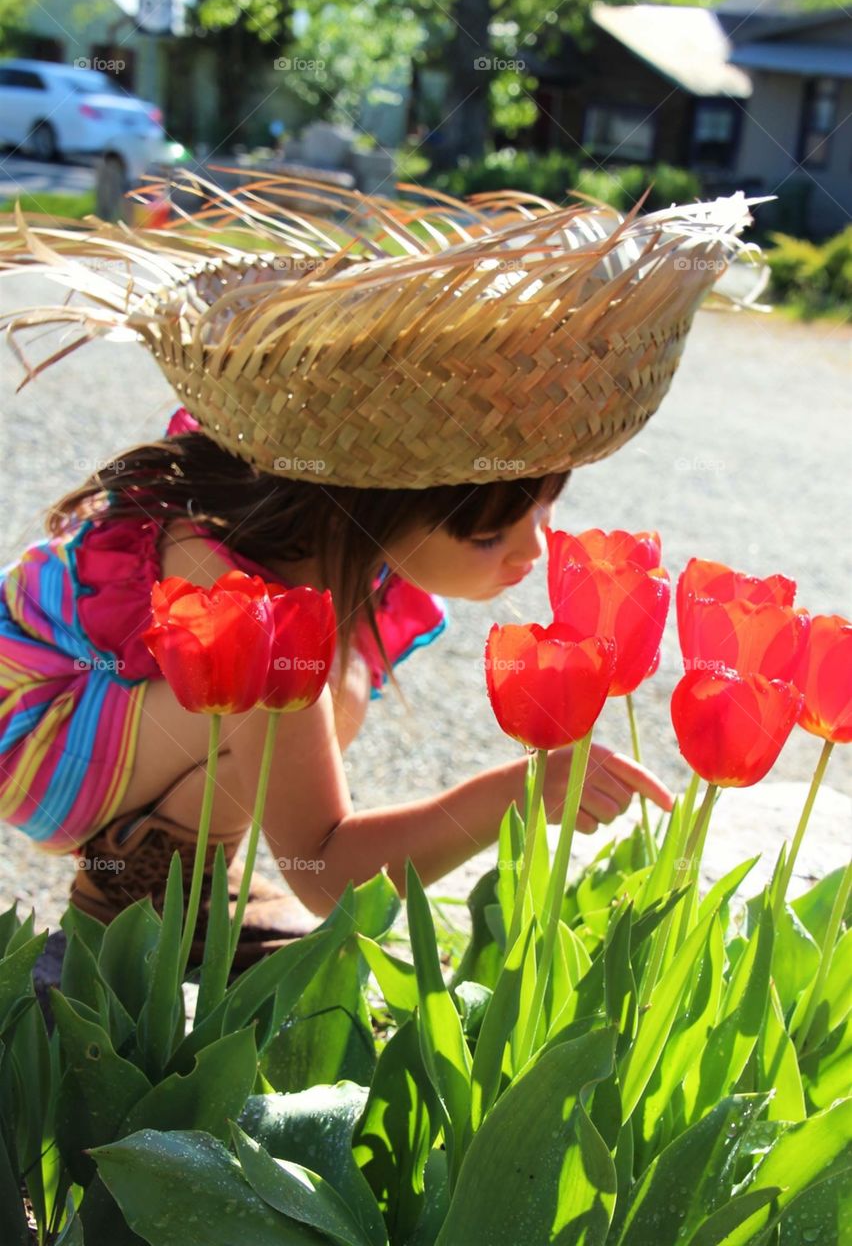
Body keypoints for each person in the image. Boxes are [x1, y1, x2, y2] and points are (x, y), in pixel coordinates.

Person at [0, 169, 769, 966]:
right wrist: (516, 791)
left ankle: (193, 872)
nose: (533, 554)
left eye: (542, 512)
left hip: (115, 714)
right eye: (487, 536)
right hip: (34, 726)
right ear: (379, 504)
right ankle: (139, 886)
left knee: (329, 685)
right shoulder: (239, 592)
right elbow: (329, 871)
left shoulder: (328, 535)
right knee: (288, 687)